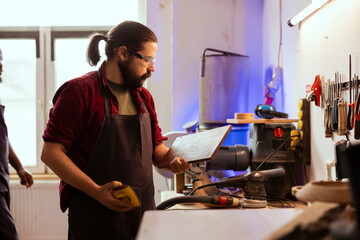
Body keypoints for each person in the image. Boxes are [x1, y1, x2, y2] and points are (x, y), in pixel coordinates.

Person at [41, 21, 191, 240]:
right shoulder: (79, 92)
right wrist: (98, 192)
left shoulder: (144, 98)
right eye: (147, 59)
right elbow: (51, 153)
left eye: (154, 60)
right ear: (123, 53)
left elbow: (158, 153)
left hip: (141, 218)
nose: (152, 67)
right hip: (94, 218)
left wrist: (174, 161)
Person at [0, 48, 34, 240]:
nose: (0, 66)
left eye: (1, 60)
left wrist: (19, 167)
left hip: (3, 181)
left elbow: (2, 136)